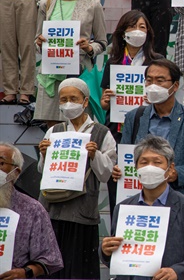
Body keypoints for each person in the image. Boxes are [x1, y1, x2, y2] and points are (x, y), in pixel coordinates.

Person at [101, 136, 184, 280]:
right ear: (136, 168)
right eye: (144, 162)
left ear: (170, 168)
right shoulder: (123, 208)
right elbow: (117, 257)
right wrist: (105, 251)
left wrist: (177, 271)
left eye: (157, 162)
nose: (150, 167)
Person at [37, 78, 117, 279]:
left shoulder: (101, 132)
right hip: (54, 208)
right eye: (63, 99)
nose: (68, 103)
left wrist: (95, 155)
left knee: (80, 269)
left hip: (82, 211)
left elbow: (106, 173)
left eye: (73, 98)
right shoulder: (54, 131)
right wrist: (45, 154)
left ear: (85, 101)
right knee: (53, 266)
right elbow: (43, 170)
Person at [116, 59, 184, 203]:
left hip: (180, 199)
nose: (153, 86)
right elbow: (125, 158)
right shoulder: (134, 117)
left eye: (160, 80)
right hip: (141, 199)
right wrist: (119, 170)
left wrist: (177, 173)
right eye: (149, 80)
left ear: (175, 86)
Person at [100, 10, 162, 217]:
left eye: (142, 27)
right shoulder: (113, 62)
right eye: (132, 27)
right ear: (122, 33)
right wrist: (107, 100)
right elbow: (103, 103)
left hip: (149, 131)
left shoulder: (157, 62)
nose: (137, 32)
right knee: (118, 183)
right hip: (117, 132)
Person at [34, 0, 108, 127]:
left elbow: (102, 42)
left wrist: (89, 47)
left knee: (78, 127)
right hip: (51, 77)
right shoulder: (47, 3)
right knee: (53, 130)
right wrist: (39, 43)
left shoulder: (93, 4)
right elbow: (37, 40)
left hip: (79, 73)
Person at [0, 142, 63, 278]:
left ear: (15, 172)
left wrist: (25, 272)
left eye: (1, 163)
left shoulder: (32, 209)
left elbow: (50, 259)